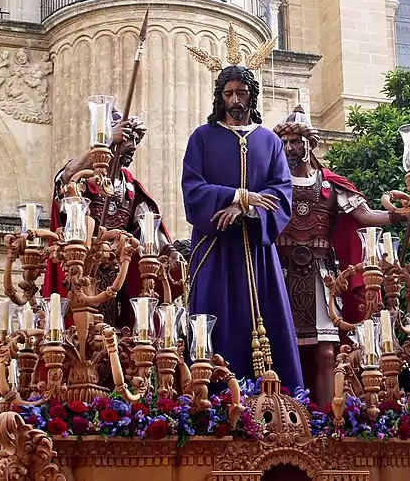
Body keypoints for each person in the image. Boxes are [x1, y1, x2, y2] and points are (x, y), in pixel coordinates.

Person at [182, 27, 302, 391]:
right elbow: (192, 188)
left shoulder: (269, 141)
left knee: (267, 321)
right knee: (214, 321)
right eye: (229, 93)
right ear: (219, 97)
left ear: (252, 96)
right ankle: (211, 400)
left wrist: (248, 211)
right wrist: (239, 197)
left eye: (242, 92)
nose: (235, 99)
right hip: (214, 250)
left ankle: (277, 403)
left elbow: (281, 192)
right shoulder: (202, 138)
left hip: (256, 252)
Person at [273, 105, 403, 406]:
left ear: (309, 144)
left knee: (326, 350)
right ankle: (285, 416)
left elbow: (364, 215)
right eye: (285, 142)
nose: (290, 148)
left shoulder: (330, 184)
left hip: (321, 274)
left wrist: (397, 216)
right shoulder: (274, 184)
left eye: (296, 141)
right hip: (280, 273)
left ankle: (325, 420)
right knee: (280, 348)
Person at [43, 109, 182, 328]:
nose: (133, 146)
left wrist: (170, 252)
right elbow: (66, 178)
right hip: (83, 271)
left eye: (136, 140)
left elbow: (149, 228)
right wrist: (105, 140)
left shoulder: (131, 189)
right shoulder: (83, 179)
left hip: (117, 276)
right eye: (128, 138)